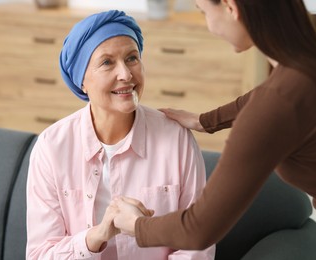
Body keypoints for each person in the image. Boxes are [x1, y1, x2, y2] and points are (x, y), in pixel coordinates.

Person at [111, 0, 316, 259]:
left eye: (204, 12)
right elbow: (283, 93)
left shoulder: (277, 105)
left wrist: (136, 225)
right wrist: (207, 120)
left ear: (230, 8)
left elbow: (199, 228)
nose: (210, 26)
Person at [25, 10, 215, 260]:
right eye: (107, 62)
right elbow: (40, 255)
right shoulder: (51, 148)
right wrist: (97, 236)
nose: (126, 74)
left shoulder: (177, 140)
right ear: (82, 80)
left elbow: (195, 247)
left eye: (132, 58)